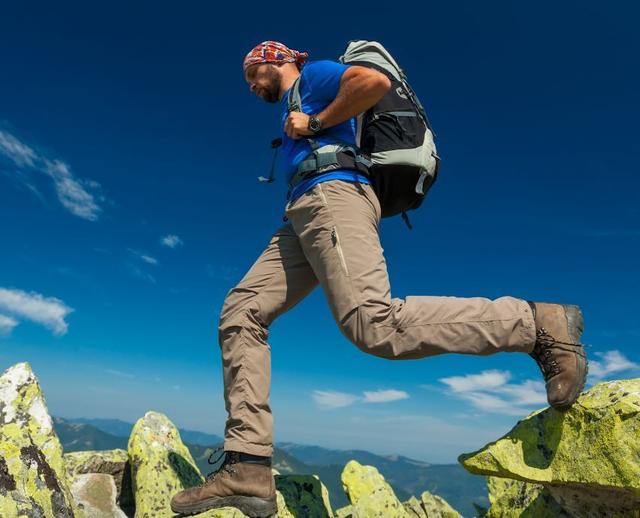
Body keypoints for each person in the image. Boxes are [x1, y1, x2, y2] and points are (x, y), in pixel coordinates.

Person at [170, 41, 588, 517]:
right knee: (241, 311)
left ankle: (537, 324)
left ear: (275, 58)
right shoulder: (295, 98)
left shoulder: (313, 76)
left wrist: (314, 123)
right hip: (304, 212)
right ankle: (247, 466)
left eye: (251, 72)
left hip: (333, 193)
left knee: (373, 324)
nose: (248, 85)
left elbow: (372, 83)